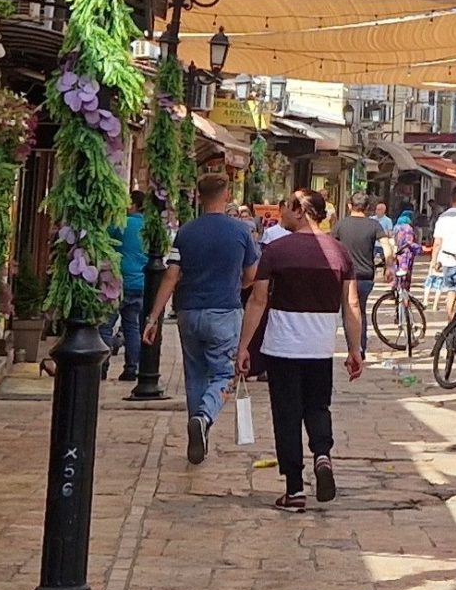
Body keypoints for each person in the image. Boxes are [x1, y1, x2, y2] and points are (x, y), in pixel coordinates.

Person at [240, 191, 364, 509]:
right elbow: (350, 304)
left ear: (299, 211)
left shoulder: (276, 251)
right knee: (317, 407)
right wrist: (354, 349)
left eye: (286, 206)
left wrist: (243, 347)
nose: (281, 211)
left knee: (287, 415)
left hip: (282, 346)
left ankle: (294, 488)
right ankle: (322, 455)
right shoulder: (339, 253)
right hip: (320, 347)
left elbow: (258, 299)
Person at [143, 172, 258, 463]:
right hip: (224, 310)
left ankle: (198, 428)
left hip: (188, 311)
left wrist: (153, 317)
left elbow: (171, 276)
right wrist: (237, 284)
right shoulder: (241, 231)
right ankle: (204, 418)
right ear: (227, 193)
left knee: (194, 375)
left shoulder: (186, 232)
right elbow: (252, 276)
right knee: (223, 374)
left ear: (199, 196)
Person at [331, 191, 387, 360]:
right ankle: (359, 348)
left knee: (344, 311)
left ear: (349, 206)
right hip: (365, 276)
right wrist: (389, 266)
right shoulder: (374, 225)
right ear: (368, 207)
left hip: (344, 275)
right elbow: (387, 245)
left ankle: (351, 347)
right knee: (359, 311)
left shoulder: (340, 225)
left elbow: (331, 246)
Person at [110, 190, 150, 384]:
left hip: (118, 281)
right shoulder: (147, 226)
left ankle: (100, 367)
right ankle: (131, 368)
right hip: (140, 283)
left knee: (106, 325)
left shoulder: (121, 223)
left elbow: (105, 241)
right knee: (132, 327)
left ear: (133, 204)